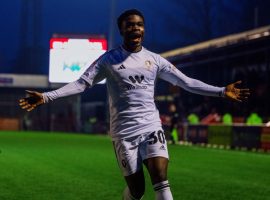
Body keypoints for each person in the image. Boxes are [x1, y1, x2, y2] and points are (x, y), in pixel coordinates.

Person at [19, 9, 250, 200]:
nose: (135, 28)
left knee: (160, 178)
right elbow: (82, 83)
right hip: (123, 133)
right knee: (137, 190)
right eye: (130, 25)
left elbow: (186, 82)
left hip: (151, 126)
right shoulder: (108, 60)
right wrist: (47, 96)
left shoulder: (155, 60)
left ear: (144, 29)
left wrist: (221, 91)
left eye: (139, 24)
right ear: (122, 30)